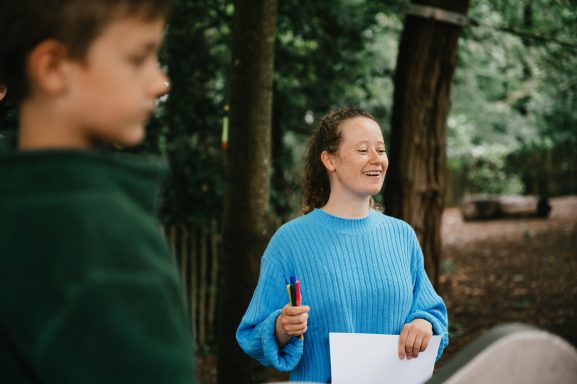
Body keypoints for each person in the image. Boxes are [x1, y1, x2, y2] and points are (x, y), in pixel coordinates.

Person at [0, 1, 196, 383]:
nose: (161, 82)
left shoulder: (17, 202)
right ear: (54, 68)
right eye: (139, 58)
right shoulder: (99, 235)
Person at [236, 108, 449, 382]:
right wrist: (281, 326)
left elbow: (432, 312)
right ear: (330, 160)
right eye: (363, 150)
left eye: (381, 150)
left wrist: (423, 324)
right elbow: (252, 333)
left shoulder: (402, 236)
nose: (377, 159)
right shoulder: (289, 242)